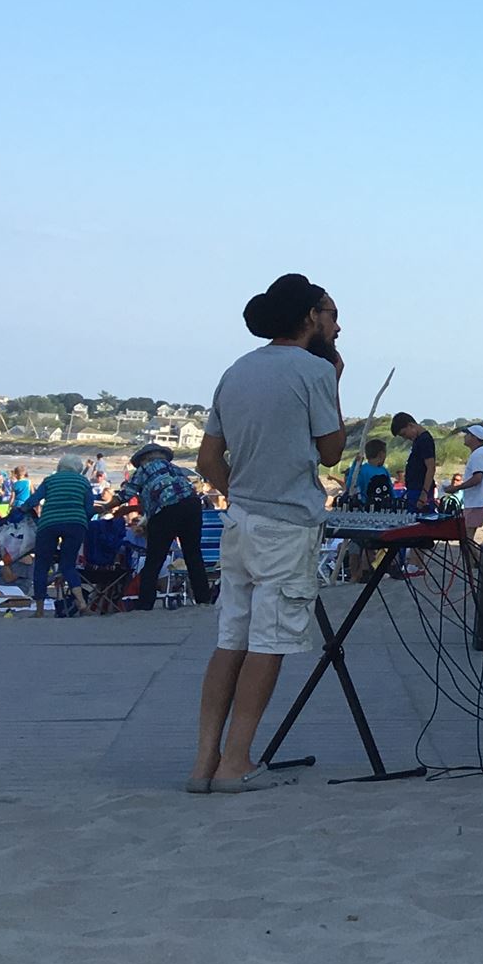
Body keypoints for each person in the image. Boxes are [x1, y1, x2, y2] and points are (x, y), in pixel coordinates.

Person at [192, 271, 347, 795]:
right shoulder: (313, 370)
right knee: (268, 642)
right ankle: (236, 761)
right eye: (329, 314)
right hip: (286, 524)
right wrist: (336, 377)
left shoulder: (237, 371)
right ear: (309, 318)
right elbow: (330, 452)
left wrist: (242, 494)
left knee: (230, 639)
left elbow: (207, 458)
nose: (337, 326)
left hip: (240, 522)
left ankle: (204, 762)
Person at [112, 443, 211, 609]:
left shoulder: (144, 470)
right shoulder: (175, 468)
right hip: (192, 506)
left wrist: (106, 507)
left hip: (166, 510)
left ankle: (145, 604)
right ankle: (203, 599)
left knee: (154, 559)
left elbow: (126, 493)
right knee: (193, 554)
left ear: (143, 459)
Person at [30, 453, 95, 616]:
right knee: (68, 565)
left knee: (41, 565)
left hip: (49, 523)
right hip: (75, 523)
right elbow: (89, 508)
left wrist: (20, 511)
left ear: (60, 466)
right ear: (79, 469)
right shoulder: (83, 481)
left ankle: (39, 611)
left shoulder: (50, 480)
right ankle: (81, 604)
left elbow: (33, 501)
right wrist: (83, 521)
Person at [448, 423, 483, 520]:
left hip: (476, 501)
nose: (465, 437)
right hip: (482, 501)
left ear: (474, 437)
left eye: (468, 434)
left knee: (468, 532)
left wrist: (457, 487)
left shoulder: (478, 454)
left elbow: (477, 478)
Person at [392, 413, 438, 512]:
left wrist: (424, 493)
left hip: (420, 490)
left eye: (404, 434)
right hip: (414, 488)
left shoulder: (424, 440)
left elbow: (431, 467)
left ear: (411, 425)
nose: (405, 437)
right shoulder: (418, 440)